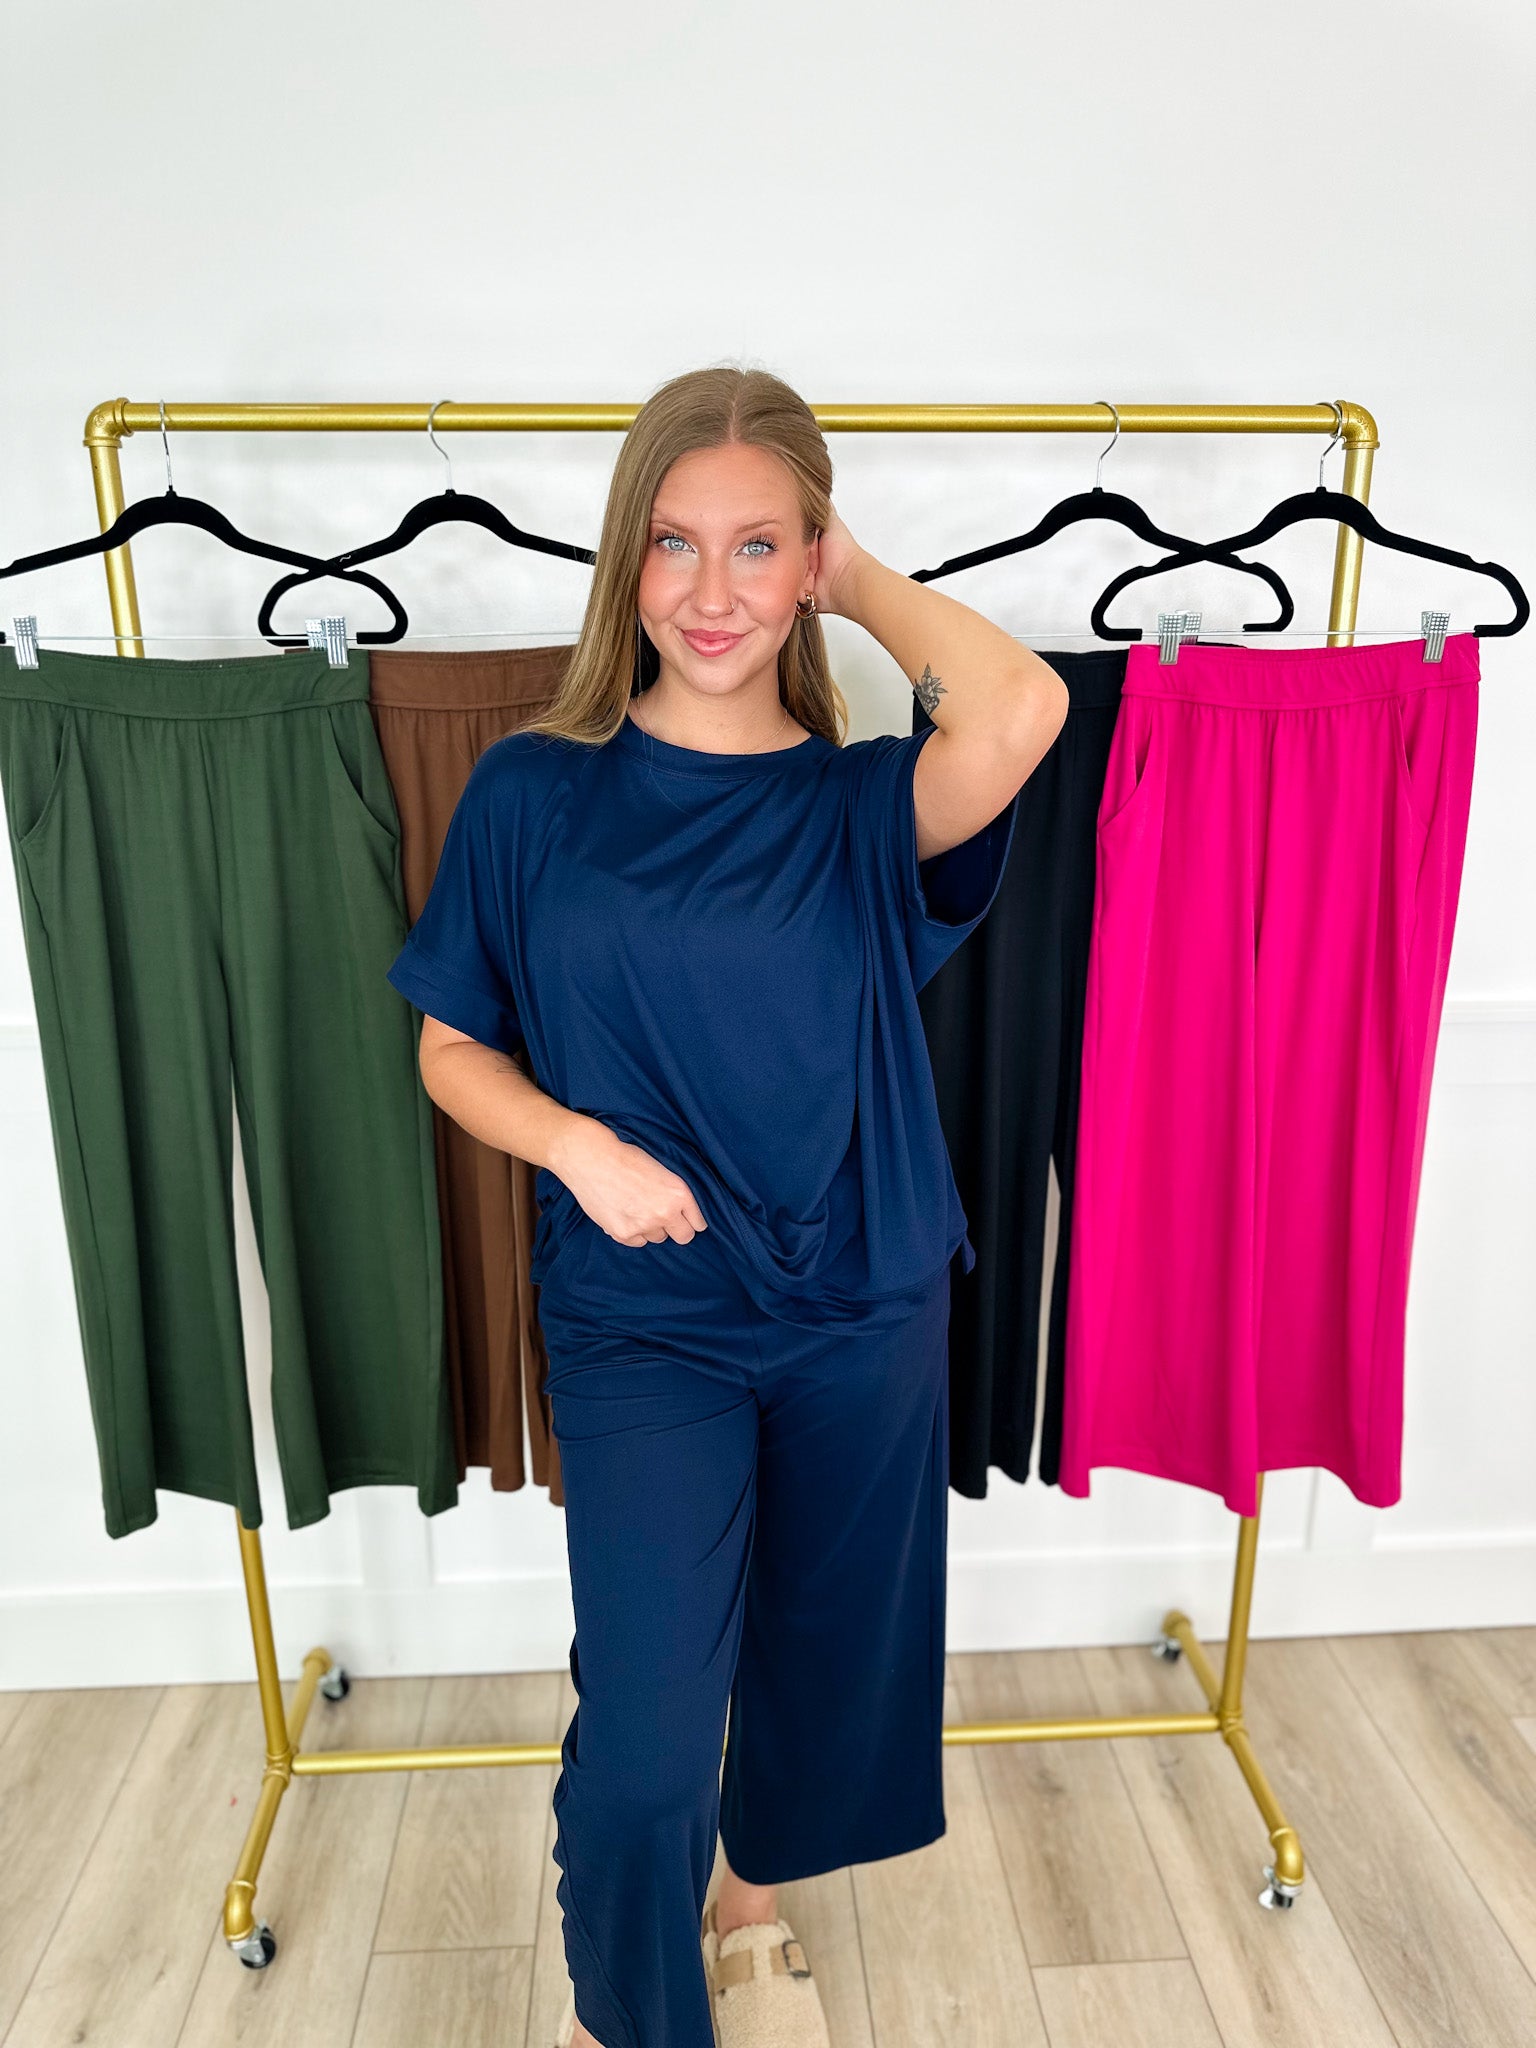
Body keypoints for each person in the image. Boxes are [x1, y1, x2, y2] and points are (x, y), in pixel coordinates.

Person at [386, 364, 1067, 2048]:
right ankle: (631, 2013)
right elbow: (450, 1047)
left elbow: (1021, 707)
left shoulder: (861, 804)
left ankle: (750, 1907)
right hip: (646, 1326)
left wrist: (855, 572)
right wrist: (575, 1147)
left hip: (860, 1308)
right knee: (643, 1748)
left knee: (818, 1659)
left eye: (759, 546)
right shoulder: (537, 791)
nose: (713, 589)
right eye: (676, 542)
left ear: (809, 560)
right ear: (626, 556)